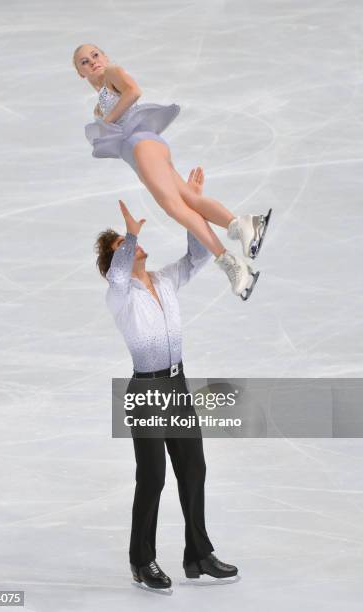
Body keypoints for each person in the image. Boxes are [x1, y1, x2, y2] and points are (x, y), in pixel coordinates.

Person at [95, 167, 238, 590]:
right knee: (153, 476)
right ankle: (142, 560)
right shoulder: (119, 293)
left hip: (177, 385)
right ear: (114, 259)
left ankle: (199, 554)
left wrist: (191, 205)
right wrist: (130, 235)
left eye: (130, 242)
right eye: (123, 246)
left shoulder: (163, 281)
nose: (132, 247)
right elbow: (120, 272)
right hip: (146, 390)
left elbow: (196, 258)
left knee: (194, 468)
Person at [74, 43, 272, 301]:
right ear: (80, 73)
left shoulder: (112, 72)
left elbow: (134, 91)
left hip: (142, 146)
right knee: (190, 199)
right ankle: (245, 225)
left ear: (105, 56)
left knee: (175, 207)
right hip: (143, 150)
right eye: (84, 62)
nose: (92, 62)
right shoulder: (99, 107)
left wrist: (109, 123)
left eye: (95, 55)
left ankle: (232, 263)